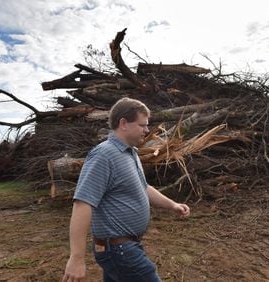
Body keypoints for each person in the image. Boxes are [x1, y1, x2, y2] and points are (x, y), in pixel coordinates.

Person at [62, 97, 190, 282]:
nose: (147, 130)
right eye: (142, 125)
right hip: (118, 251)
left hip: (126, 246)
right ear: (123, 123)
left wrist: (172, 205)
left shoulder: (130, 152)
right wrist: (76, 258)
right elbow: (83, 203)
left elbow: (144, 187)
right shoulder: (104, 155)